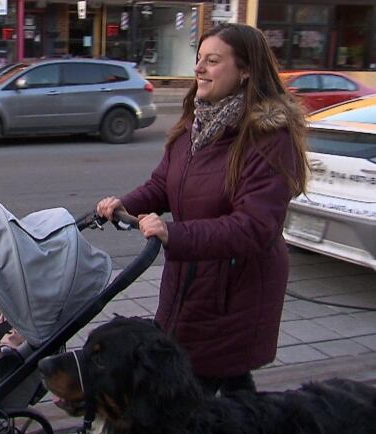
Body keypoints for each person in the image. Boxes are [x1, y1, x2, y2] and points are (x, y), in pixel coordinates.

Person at [96, 23, 308, 397]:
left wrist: (174, 234)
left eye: (212, 61)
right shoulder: (196, 123)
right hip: (191, 278)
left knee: (202, 383)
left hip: (236, 288)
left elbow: (256, 225)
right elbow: (163, 184)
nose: (199, 69)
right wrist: (125, 204)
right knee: (216, 384)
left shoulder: (269, 138)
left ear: (245, 71)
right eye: (198, 60)